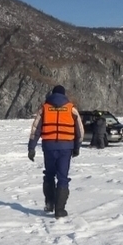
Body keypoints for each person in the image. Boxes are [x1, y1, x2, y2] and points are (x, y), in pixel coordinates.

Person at [28, 85, 84, 219]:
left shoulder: (44, 108)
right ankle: (60, 210)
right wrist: (77, 147)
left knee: (49, 175)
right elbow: (80, 131)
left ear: (52, 94)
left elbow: (36, 129)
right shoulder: (71, 108)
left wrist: (31, 147)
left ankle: (49, 204)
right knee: (62, 178)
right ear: (64, 95)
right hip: (66, 148)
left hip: (49, 147)